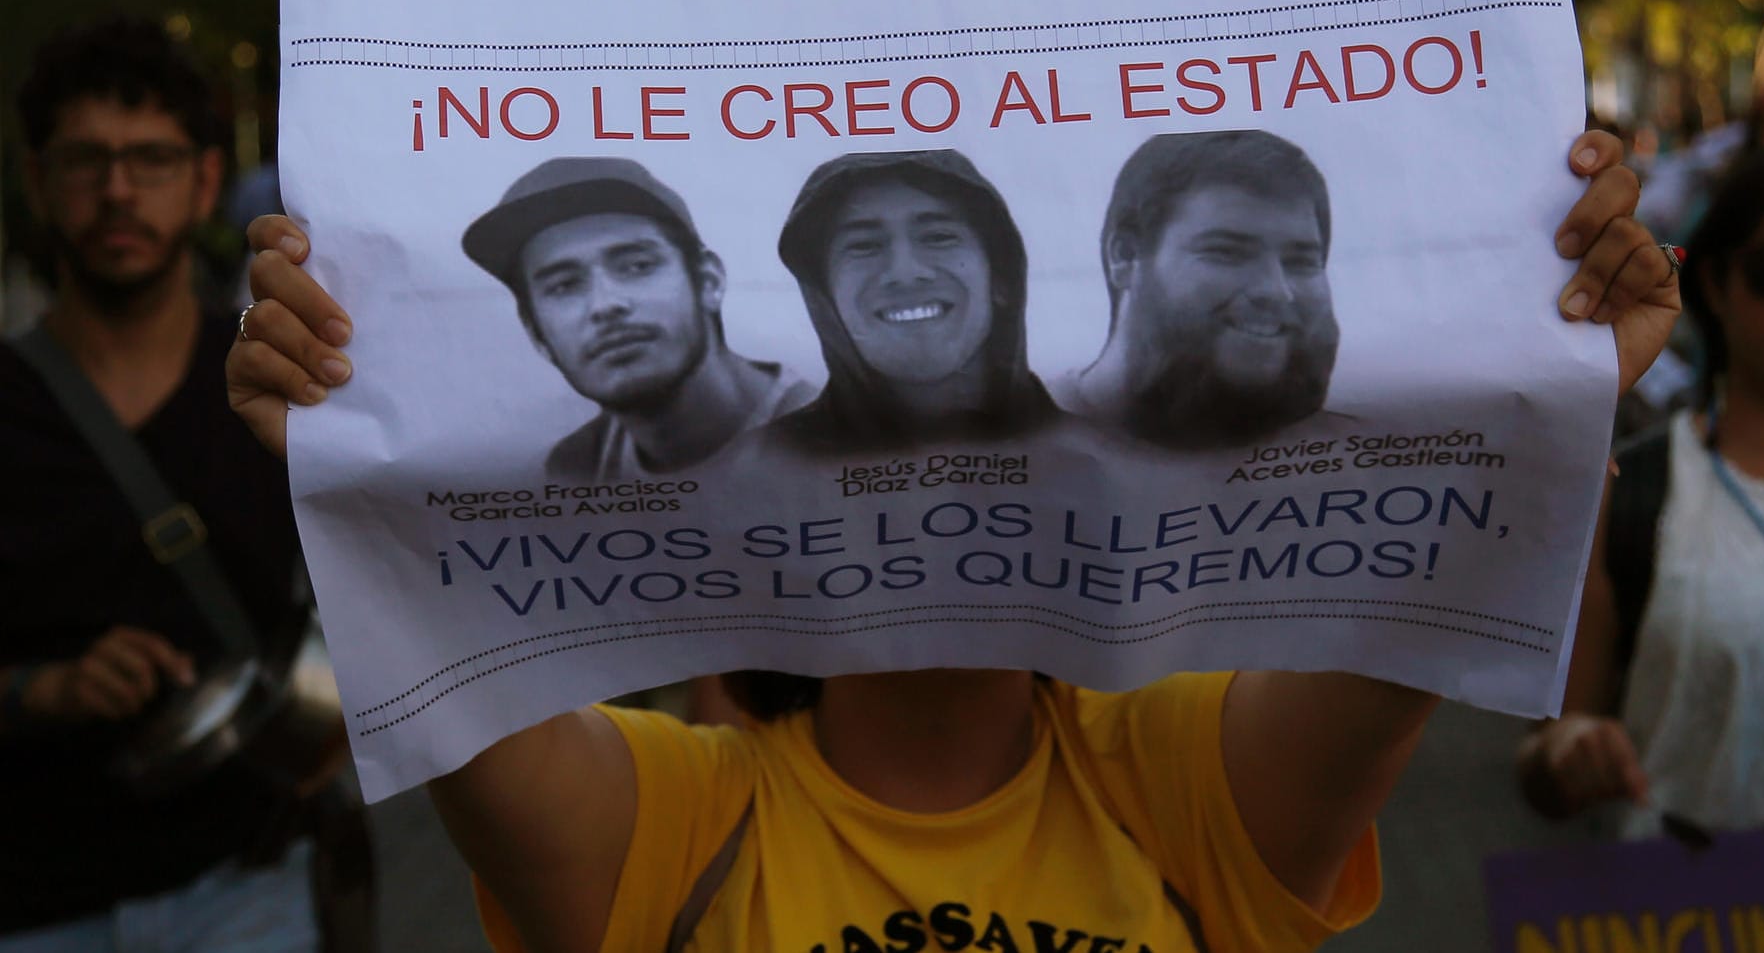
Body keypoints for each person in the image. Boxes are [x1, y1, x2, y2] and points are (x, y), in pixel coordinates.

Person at [229, 128, 1668, 952]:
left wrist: (1553, 369)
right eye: (879, 464)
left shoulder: (1181, 784)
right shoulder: (674, 818)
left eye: (985, 459)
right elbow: (454, 673)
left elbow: (1408, 615)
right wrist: (350, 452)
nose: (939, 497)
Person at [0, 18, 325, 948]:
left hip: (252, 888)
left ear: (205, 182)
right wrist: (41, 690)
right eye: (85, 160)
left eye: (150, 158)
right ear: (37, 180)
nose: (117, 191)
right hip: (34, 903)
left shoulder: (281, 383)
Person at [1516, 141, 1764, 838]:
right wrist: (1569, 752)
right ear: (1716, 284)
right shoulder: (1632, 493)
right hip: (1685, 913)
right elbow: (1545, 750)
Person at [461, 156, 814, 478]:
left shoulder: (843, 443)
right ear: (537, 334)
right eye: (564, 286)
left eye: (637, 266)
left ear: (708, 281)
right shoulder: (575, 473)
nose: (605, 305)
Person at [1055, 130, 1341, 450]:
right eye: (1227, 253)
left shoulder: (1365, 455)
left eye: (1301, 262)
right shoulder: (1019, 448)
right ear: (1125, 257)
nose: (1275, 291)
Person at [761, 149, 1059, 455]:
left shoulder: (1100, 466)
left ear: (1001, 280)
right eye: (864, 245)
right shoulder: (748, 481)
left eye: (938, 237)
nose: (904, 272)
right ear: (825, 297)